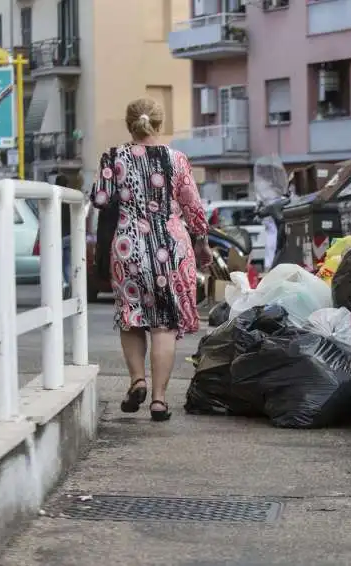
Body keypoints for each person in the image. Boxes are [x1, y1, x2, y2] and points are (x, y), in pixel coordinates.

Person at [91, 97, 212, 421]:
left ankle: (137, 380)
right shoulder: (177, 159)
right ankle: (158, 400)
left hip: (128, 247)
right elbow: (194, 209)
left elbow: (100, 199)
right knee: (163, 325)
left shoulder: (113, 156)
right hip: (170, 248)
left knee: (131, 317)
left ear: (130, 124)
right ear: (159, 123)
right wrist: (202, 241)